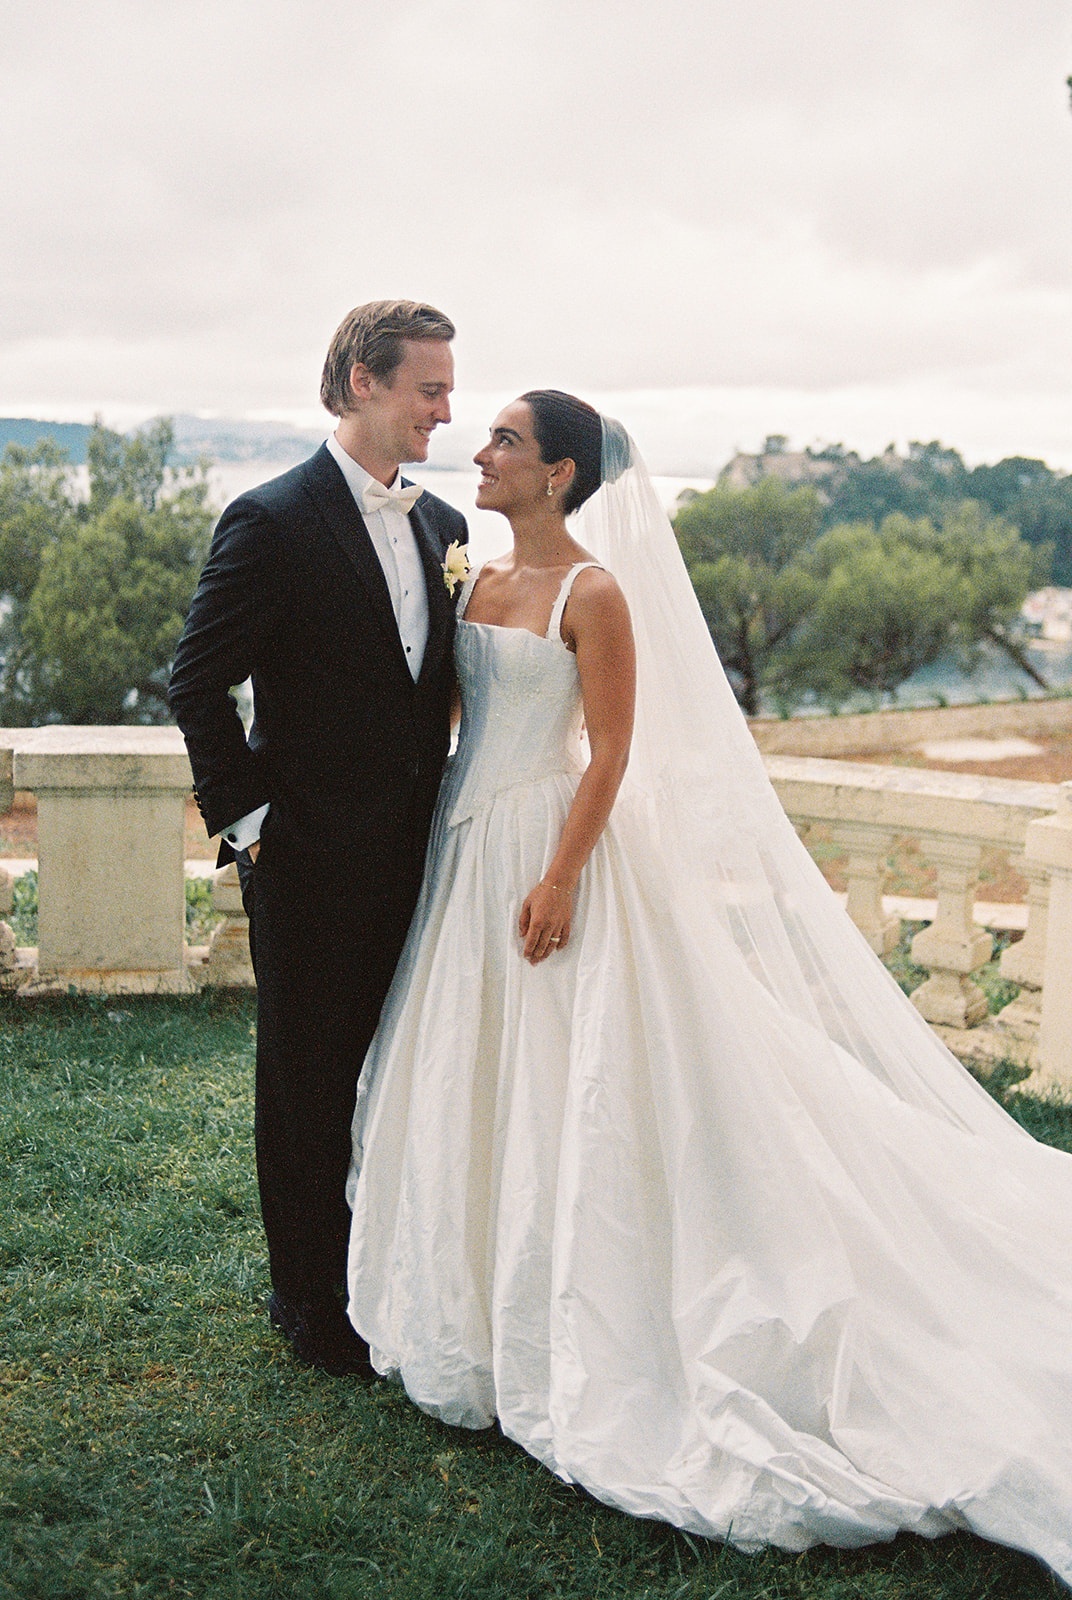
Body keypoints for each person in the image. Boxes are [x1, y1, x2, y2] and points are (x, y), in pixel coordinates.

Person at [345, 389, 1072, 1583]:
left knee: (583, 1078)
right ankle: (473, 1304)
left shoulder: (595, 592)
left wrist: (561, 875)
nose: (481, 449)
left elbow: (612, 750)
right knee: (476, 1066)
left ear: (559, 473)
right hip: (464, 850)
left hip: (547, 848)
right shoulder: (472, 576)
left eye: (506, 440)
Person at [169, 300, 467, 1375]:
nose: (446, 410)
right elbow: (197, 682)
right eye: (428, 389)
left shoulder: (445, 527)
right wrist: (252, 826)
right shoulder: (272, 520)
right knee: (306, 1082)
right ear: (360, 383)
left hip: (424, 855)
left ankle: (387, 1273)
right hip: (305, 859)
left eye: (448, 389)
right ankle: (309, 1303)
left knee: (404, 1069)